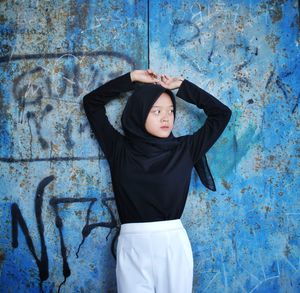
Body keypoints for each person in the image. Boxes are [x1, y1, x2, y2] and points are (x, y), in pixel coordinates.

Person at [83, 69, 232, 293]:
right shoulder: (119, 149)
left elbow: (221, 114)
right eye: (157, 111)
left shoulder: (185, 149)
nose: (166, 117)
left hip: (172, 245)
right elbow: (92, 103)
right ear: (139, 113)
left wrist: (182, 86)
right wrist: (131, 78)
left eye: (171, 111)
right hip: (132, 245)